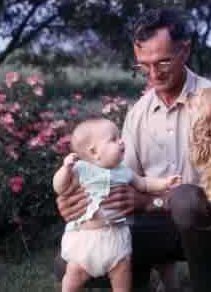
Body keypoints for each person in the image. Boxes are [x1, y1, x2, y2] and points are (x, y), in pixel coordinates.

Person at [55, 8, 211, 292]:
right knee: (69, 263)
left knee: (186, 199)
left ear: (185, 50)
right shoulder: (138, 113)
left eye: (163, 61)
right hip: (156, 227)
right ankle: (140, 278)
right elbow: (124, 182)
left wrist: (155, 201)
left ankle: (209, 285)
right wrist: (75, 201)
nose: (153, 74)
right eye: (144, 65)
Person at [53, 118, 182, 292]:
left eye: (119, 136)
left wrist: (165, 183)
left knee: (122, 272)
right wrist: (65, 169)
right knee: (74, 275)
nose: (121, 141)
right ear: (94, 152)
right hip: (85, 240)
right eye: (113, 139)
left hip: (116, 237)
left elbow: (144, 183)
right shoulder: (81, 169)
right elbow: (59, 187)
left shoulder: (124, 171)